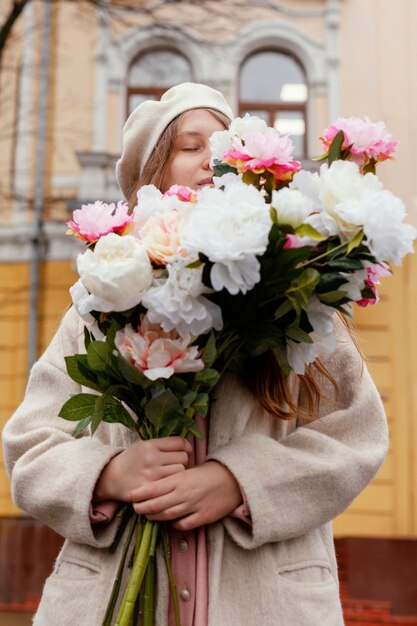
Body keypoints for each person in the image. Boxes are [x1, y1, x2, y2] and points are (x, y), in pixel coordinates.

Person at [2, 82, 388, 626]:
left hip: (268, 603)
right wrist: (110, 473)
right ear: (151, 178)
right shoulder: (98, 307)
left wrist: (239, 480)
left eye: (228, 147)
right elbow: (30, 446)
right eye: (190, 146)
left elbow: (356, 434)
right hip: (106, 601)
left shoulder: (297, 299)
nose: (214, 160)